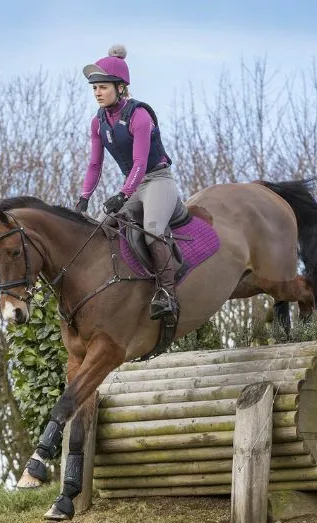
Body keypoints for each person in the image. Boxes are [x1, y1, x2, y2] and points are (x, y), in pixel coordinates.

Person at [75, 44, 180, 323]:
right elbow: (95, 165)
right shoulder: (98, 123)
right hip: (134, 186)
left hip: (158, 180)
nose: (97, 92)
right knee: (97, 227)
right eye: (94, 88)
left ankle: (167, 294)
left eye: (103, 87)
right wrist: (84, 197)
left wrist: (122, 195)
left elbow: (140, 163)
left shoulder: (139, 115)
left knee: (152, 230)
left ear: (120, 88)